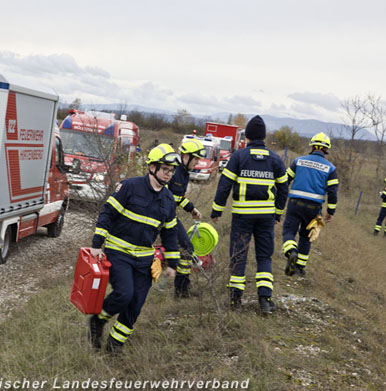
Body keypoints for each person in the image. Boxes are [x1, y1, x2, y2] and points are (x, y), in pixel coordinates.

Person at [88, 144, 180, 353]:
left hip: (145, 259)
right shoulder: (129, 187)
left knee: (136, 304)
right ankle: (98, 320)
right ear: (152, 167)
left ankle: (114, 345)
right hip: (118, 252)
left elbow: (170, 234)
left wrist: (172, 265)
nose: (169, 174)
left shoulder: (168, 200)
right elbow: (107, 213)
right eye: (165, 169)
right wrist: (96, 244)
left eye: (171, 170)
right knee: (124, 294)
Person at [210, 115, 288, 314]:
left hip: (242, 217)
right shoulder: (275, 159)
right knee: (264, 256)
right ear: (263, 136)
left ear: (248, 137)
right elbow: (284, 188)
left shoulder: (239, 156)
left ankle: (235, 299)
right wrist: (278, 213)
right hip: (266, 217)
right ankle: (265, 300)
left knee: (238, 254)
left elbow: (224, 184)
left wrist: (217, 209)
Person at [282, 132, 339, 276]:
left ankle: (291, 252)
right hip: (314, 208)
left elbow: (285, 180)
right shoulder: (330, 168)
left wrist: (280, 199)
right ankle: (299, 268)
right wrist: (331, 212)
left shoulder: (299, 161)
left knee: (289, 231)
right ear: (326, 149)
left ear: (312, 146)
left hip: (295, 204)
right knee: (307, 237)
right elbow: (332, 192)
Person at [168, 138, 205, 297]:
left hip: (169, 216)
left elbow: (178, 197)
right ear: (186, 156)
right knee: (186, 249)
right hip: (162, 218)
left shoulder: (183, 172)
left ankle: (181, 290)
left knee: (186, 249)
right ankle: (181, 290)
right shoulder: (175, 171)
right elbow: (171, 197)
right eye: (196, 158)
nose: (197, 162)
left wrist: (192, 209)